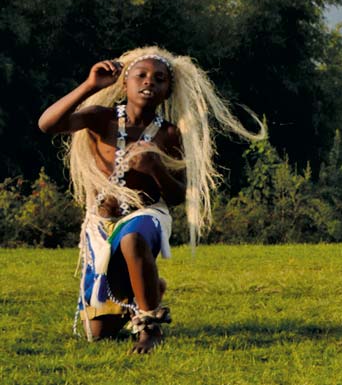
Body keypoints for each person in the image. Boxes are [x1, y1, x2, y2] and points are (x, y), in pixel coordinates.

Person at [38, 47, 267, 354]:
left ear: (168, 91)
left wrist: (155, 168)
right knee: (99, 333)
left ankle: (150, 327)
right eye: (141, 75)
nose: (149, 82)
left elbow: (177, 196)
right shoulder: (101, 118)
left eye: (159, 79)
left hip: (147, 214)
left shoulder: (169, 134)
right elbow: (48, 124)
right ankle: (148, 289)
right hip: (101, 224)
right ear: (124, 83)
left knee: (132, 239)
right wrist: (90, 85)